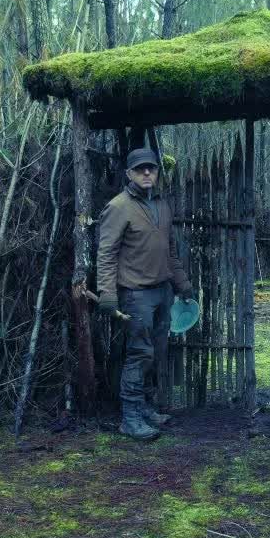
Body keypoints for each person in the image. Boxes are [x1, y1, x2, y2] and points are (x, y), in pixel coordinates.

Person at [96, 147, 194, 440]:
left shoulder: (162, 204)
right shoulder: (118, 207)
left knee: (156, 352)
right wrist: (107, 294)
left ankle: (145, 408)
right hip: (135, 294)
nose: (147, 172)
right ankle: (130, 418)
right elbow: (106, 254)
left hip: (163, 291)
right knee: (139, 354)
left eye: (151, 167)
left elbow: (170, 251)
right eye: (140, 169)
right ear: (129, 173)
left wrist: (182, 284)